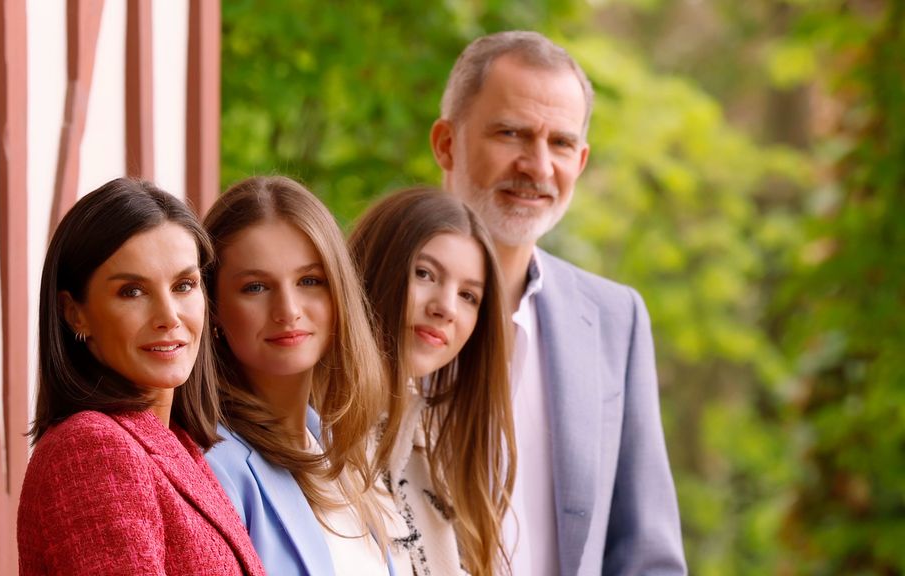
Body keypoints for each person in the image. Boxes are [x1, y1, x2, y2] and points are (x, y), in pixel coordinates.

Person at [429, 31, 687, 575]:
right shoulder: (359, 302)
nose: (538, 166)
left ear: (583, 159)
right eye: (511, 133)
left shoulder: (617, 320)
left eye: (562, 143)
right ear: (447, 143)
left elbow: (646, 553)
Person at [17, 178, 265, 575]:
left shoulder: (176, 445)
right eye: (132, 291)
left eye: (184, 285)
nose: (169, 316)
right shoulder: (92, 448)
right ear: (74, 312)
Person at [202, 175, 395, 576]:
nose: (288, 309)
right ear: (214, 308)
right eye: (255, 287)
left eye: (310, 281)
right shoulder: (213, 466)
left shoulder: (337, 449)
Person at [348, 187, 516, 576]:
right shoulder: (310, 430)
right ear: (375, 267)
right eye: (425, 274)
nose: (446, 307)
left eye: (469, 296)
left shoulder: (440, 459)